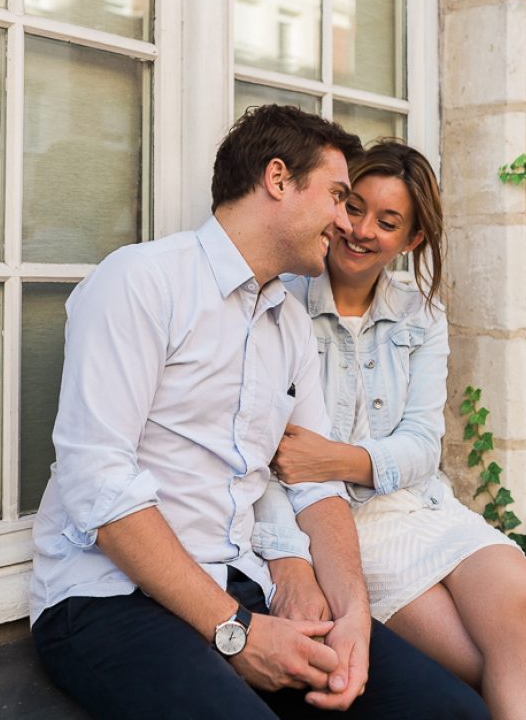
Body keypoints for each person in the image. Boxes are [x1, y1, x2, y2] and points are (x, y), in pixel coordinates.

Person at [29, 107, 490, 720]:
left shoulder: (288, 323)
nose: (342, 219)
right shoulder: (141, 281)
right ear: (277, 179)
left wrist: (353, 616)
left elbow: (317, 489)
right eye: (335, 195)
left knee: (450, 712)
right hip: (108, 599)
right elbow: (101, 489)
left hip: (243, 583)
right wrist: (235, 631)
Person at [255, 139, 526, 720]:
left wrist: (332, 457)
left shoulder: (421, 315)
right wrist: (294, 551)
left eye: (387, 222)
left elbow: (421, 448)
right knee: (485, 665)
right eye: (353, 207)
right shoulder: (283, 303)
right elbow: (270, 463)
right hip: (341, 527)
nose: (360, 230)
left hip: (422, 507)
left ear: (412, 240)